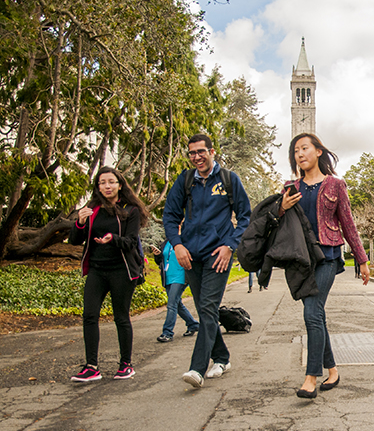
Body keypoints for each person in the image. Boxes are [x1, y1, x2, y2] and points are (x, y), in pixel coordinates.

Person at [280, 133, 370, 399]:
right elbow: (278, 224)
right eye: (295, 150)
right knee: (317, 315)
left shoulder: (335, 185)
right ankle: (332, 369)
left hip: (328, 255)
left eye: (304, 148)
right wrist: (281, 207)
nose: (300, 154)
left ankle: (311, 377)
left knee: (312, 312)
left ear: (318, 151)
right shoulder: (290, 186)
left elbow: (348, 223)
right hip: (301, 259)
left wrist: (362, 259)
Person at [163, 134, 252, 389]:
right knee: (205, 309)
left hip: (218, 255)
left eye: (201, 152)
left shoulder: (228, 180)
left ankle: (197, 368)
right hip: (191, 255)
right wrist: (177, 245)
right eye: (192, 153)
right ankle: (222, 358)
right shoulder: (186, 180)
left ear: (212, 152)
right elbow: (170, 215)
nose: (196, 157)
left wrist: (229, 246)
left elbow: (245, 216)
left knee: (209, 307)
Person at [69, 167, 148, 381]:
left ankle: (126, 364)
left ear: (120, 185)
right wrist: (80, 222)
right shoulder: (92, 209)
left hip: (121, 270)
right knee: (89, 315)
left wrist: (113, 238)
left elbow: (131, 243)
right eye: (102, 182)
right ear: (98, 187)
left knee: (121, 317)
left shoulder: (130, 211)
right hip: (97, 269)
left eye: (111, 182)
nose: (107, 186)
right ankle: (91, 366)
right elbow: (75, 240)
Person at [152, 238, 199, 343]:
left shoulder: (184, 240)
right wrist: (157, 255)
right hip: (168, 276)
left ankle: (167, 332)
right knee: (177, 304)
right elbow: (160, 261)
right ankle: (193, 324)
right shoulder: (165, 243)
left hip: (180, 276)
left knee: (172, 304)